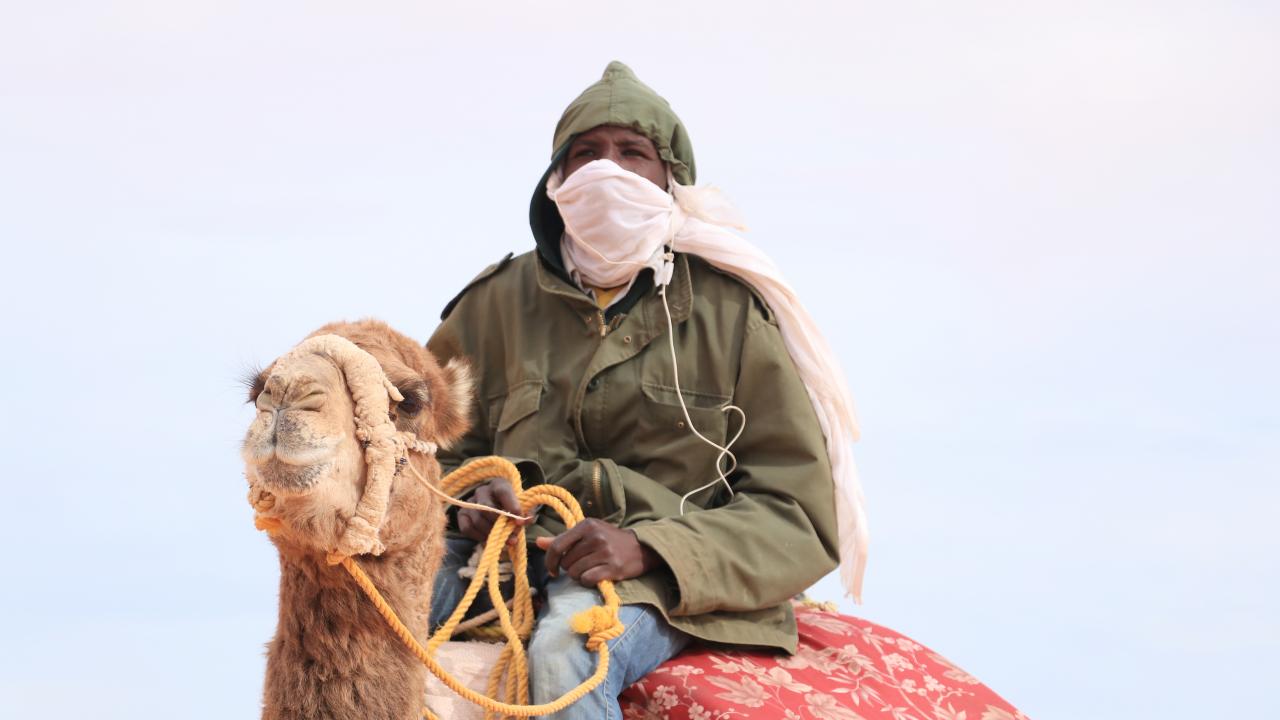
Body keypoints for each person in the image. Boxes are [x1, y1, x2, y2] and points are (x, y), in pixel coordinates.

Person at [426, 61, 866, 720]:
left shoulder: (732, 314)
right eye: (586, 154)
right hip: (506, 561)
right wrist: (466, 495)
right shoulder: (490, 308)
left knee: (566, 651)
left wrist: (650, 549)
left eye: (632, 153)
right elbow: (414, 457)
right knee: (354, 610)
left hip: (660, 581)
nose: (607, 170)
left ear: (670, 180)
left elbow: (795, 514)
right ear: (556, 180)